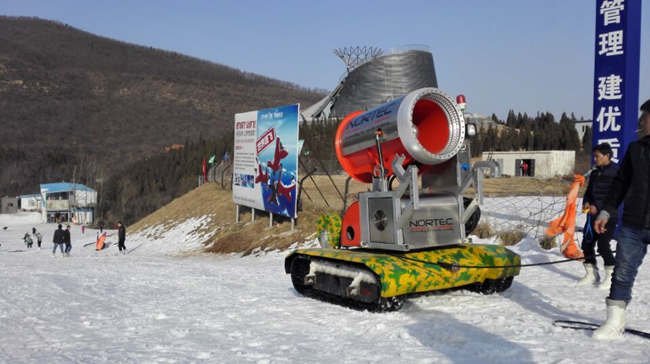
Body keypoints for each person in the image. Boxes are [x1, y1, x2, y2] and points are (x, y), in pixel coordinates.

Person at [592, 99, 650, 340]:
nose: (641, 121)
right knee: (623, 272)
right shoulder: (636, 149)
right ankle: (615, 323)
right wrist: (606, 211)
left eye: (645, 116)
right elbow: (620, 183)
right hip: (634, 224)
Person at [578, 143, 618, 289]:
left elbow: (615, 196)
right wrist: (587, 202)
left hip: (609, 216)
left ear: (607, 156)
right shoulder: (595, 172)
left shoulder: (616, 173)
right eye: (594, 156)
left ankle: (611, 276)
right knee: (586, 243)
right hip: (593, 215)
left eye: (598, 156)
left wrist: (599, 207)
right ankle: (591, 274)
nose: (595, 159)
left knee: (602, 246)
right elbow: (589, 191)